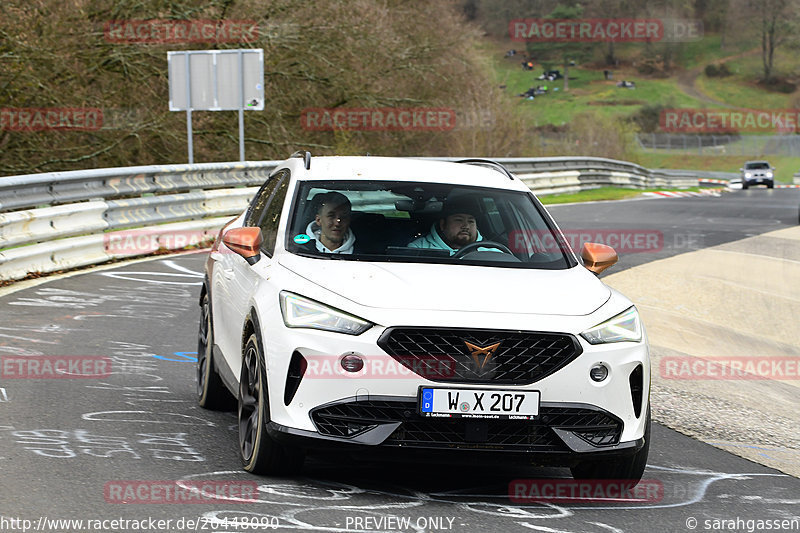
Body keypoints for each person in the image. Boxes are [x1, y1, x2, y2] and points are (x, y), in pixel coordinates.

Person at [408, 196, 485, 254]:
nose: (466, 226)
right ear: (443, 224)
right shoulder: (419, 249)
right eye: (459, 220)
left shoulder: (492, 252)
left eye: (471, 221)